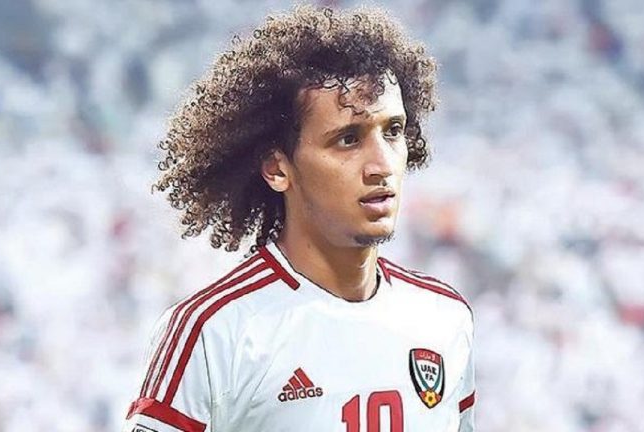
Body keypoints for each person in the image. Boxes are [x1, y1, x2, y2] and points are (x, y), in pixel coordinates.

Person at [123, 5, 475, 431]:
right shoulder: (212, 332)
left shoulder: (444, 317)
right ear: (277, 168)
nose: (382, 164)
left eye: (393, 131)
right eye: (348, 139)